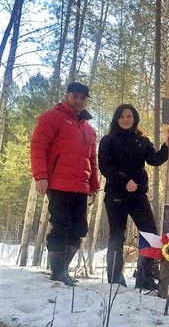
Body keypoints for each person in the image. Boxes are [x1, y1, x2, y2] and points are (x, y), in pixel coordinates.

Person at [30, 82, 99, 286]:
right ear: (67, 96)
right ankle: (57, 272)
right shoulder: (53, 117)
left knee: (79, 228)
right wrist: (40, 176)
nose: (78, 100)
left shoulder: (89, 129)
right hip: (58, 182)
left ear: (86, 101)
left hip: (81, 185)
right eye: (74, 96)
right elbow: (38, 145)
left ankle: (63, 271)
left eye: (82, 97)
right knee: (61, 224)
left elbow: (91, 160)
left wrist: (93, 186)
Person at [98, 104, 169, 289]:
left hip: (138, 194)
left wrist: (167, 144)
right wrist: (125, 180)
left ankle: (145, 278)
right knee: (117, 235)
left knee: (150, 233)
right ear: (116, 119)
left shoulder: (142, 140)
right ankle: (115, 279)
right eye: (122, 116)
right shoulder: (108, 140)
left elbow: (155, 160)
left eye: (129, 116)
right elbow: (105, 167)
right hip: (116, 193)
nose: (126, 119)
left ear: (134, 118)